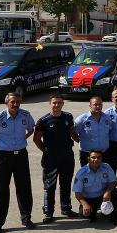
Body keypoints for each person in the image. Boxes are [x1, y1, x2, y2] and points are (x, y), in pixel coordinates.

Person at [0, 93, 36, 233]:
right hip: (4, 157)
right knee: (1, 189)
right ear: (6, 103)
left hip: (21, 155)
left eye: (18, 101)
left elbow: (31, 129)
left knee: (24, 187)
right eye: (13, 102)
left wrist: (23, 138)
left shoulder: (25, 115)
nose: (16, 104)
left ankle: (26, 218)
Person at [33, 93, 78, 223]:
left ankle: (66, 208)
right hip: (50, 157)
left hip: (67, 155)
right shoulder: (43, 121)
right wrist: (45, 150)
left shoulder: (68, 117)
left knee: (66, 183)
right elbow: (36, 139)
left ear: (63, 103)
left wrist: (81, 140)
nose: (57, 105)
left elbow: (72, 132)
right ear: (50, 104)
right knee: (49, 185)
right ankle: (48, 211)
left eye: (59, 102)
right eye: (54, 103)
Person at [73, 149, 117, 226]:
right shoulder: (81, 173)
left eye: (99, 157)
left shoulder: (106, 167)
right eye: (93, 157)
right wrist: (85, 204)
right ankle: (93, 213)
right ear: (88, 158)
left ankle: (113, 216)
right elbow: (77, 193)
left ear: (101, 159)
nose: (96, 159)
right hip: (89, 199)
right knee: (84, 213)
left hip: (103, 197)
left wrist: (108, 192)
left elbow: (113, 181)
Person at [72, 96, 113, 166]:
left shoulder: (107, 118)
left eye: (100, 104)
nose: (98, 106)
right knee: (87, 175)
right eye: (95, 104)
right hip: (87, 154)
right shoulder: (82, 119)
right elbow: (73, 132)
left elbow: (109, 131)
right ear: (90, 105)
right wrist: (81, 141)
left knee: (103, 175)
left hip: (104, 153)